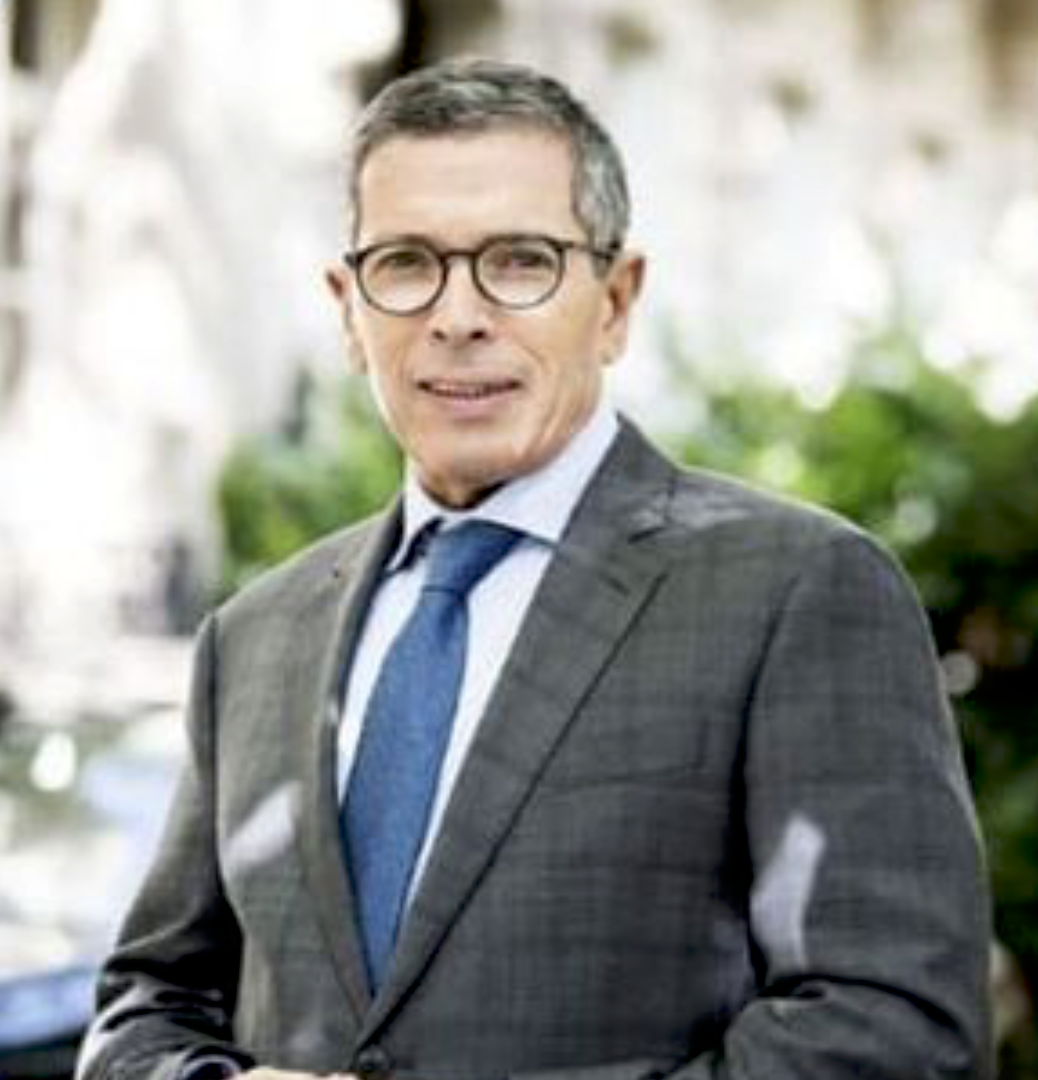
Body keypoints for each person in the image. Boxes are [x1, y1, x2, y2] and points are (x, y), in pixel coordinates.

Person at [76, 57, 993, 1080]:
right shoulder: (252, 636)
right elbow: (148, 1003)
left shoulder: (801, 591)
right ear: (348, 309)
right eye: (407, 263)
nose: (458, 316)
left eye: (520, 262)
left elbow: (895, 1033)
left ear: (616, 302)